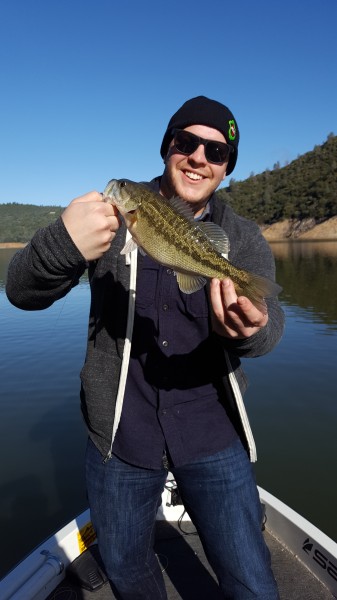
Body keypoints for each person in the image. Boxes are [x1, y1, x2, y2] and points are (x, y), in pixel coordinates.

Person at [6, 96, 284, 599]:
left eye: (216, 152)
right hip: (120, 436)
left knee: (251, 578)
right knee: (129, 571)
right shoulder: (114, 215)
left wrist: (252, 330)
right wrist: (64, 244)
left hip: (212, 431)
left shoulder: (240, 237)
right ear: (167, 148)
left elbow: (269, 330)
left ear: (225, 168)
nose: (199, 157)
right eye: (187, 143)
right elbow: (21, 292)